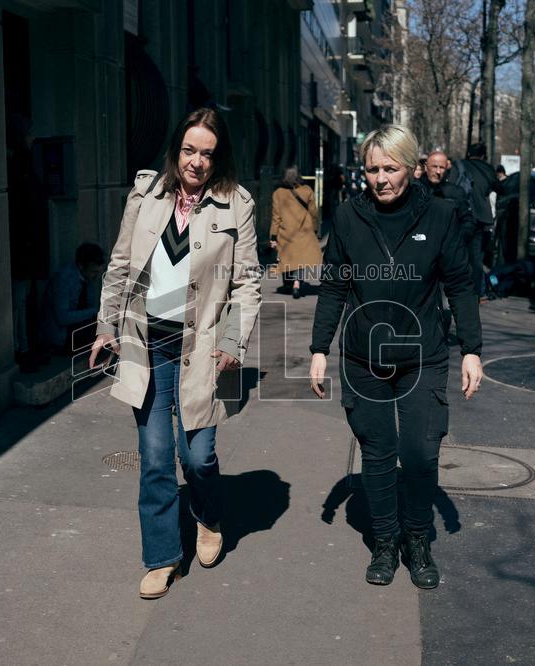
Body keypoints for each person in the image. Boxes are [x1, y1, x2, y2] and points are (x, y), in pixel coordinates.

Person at [89, 108, 262, 600]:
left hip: (201, 347)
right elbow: (120, 265)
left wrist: (233, 340)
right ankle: (163, 557)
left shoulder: (236, 204)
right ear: (176, 150)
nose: (197, 161)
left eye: (207, 153)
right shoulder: (146, 194)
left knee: (199, 455)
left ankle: (208, 514)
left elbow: (248, 282)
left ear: (217, 157)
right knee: (157, 456)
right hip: (147, 342)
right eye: (189, 150)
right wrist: (106, 326)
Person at [308, 125, 483, 590]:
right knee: (379, 454)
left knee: (421, 454)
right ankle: (385, 541)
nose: (380, 178)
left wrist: (472, 350)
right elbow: (333, 285)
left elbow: (460, 285)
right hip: (365, 357)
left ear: (411, 167)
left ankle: (417, 539)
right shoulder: (348, 216)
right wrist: (318, 348)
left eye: (390, 168)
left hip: (422, 354)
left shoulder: (440, 215)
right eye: (372, 169)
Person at [7, 113, 51, 373]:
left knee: (22, 299)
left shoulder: (23, 163)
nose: (34, 139)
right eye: (30, 133)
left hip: (27, 246)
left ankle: (24, 346)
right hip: (23, 247)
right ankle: (21, 347)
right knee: (19, 301)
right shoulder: (17, 165)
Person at [454, 143, 502, 301]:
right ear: (483, 155)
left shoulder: (460, 165)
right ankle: (475, 292)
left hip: (460, 215)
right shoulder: (487, 169)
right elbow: (498, 186)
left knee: (457, 253)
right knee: (476, 257)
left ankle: (457, 287)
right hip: (480, 217)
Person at [38, 242, 105, 355]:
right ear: (81, 266)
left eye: (98, 272)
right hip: (61, 337)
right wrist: (93, 312)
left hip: (76, 330)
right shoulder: (63, 280)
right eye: (93, 272)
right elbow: (63, 318)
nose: (96, 276)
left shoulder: (87, 278)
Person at [270, 165, 321, 298]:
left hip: (285, 231)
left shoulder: (278, 193)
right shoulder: (307, 190)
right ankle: (297, 284)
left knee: (287, 258)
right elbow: (314, 213)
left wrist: (273, 236)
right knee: (300, 258)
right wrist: (315, 230)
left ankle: (288, 283)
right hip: (304, 230)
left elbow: (276, 217)